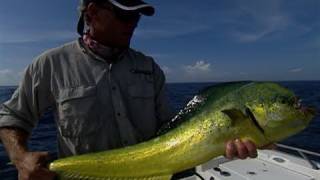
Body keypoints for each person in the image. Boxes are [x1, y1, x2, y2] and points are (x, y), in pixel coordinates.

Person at [0, 0, 260, 179]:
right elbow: (12, 118)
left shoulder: (149, 68)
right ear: (91, 13)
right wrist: (20, 158)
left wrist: (221, 141)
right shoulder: (50, 64)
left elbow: (171, 130)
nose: (132, 22)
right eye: (124, 14)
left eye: (136, 16)